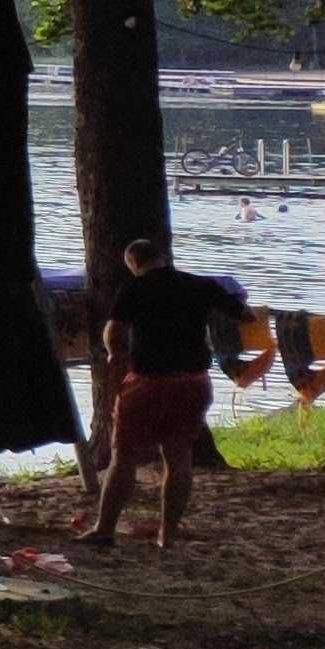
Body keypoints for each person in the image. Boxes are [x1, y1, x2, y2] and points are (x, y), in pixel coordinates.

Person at [91, 234, 249, 547]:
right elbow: (246, 316)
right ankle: (168, 534)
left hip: (149, 381)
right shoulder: (200, 285)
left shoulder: (134, 288)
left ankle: (104, 529)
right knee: (179, 457)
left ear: (134, 264)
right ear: (162, 257)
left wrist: (115, 360)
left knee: (123, 456)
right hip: (193, 381)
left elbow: (114, 334)